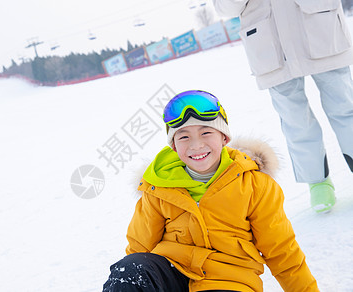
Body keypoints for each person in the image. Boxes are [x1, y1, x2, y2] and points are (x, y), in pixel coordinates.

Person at [102, 90, 318, 291]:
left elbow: (282, 251)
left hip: (229, 279)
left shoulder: (254, 185)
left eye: (206, 133)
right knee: (130, 271)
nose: (196, 145)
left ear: (224, 138)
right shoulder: (158, 186)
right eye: (184, 136)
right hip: (172, 271)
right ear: (174, 146)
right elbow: (139, 248)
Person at [211, 0, 353, 213]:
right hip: (269, 44)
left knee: (344, 107)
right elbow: (222, 7)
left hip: (319, 26)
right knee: (296, 121)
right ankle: (318, 182)